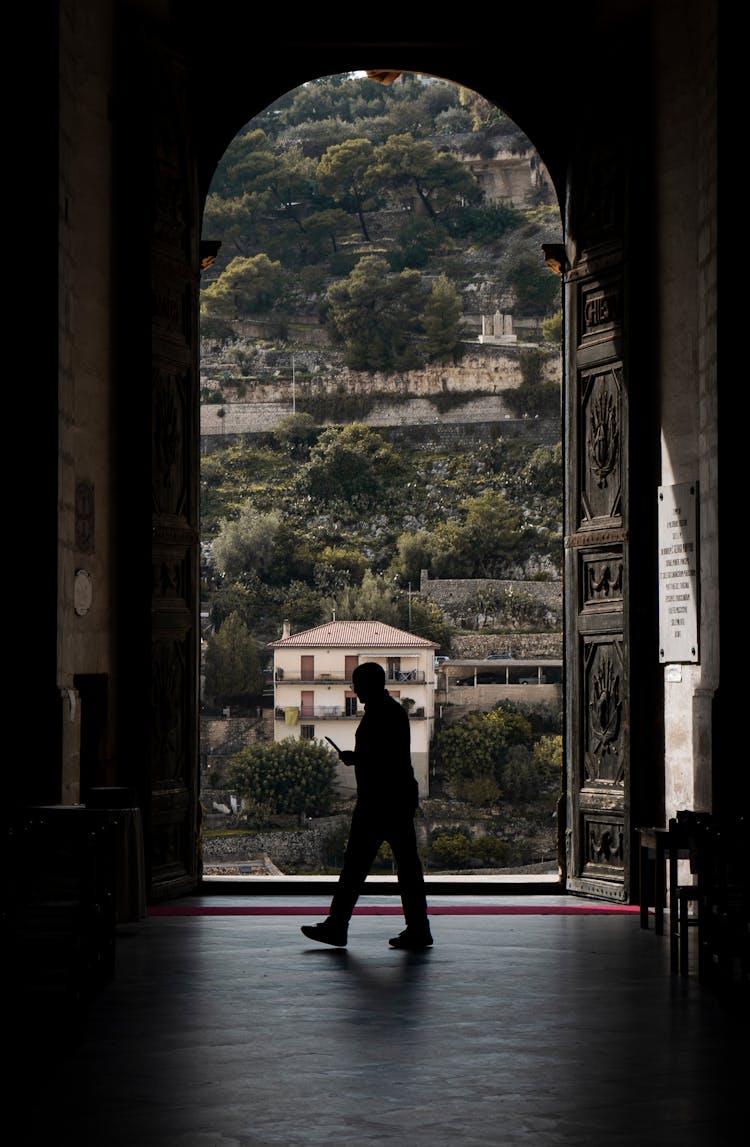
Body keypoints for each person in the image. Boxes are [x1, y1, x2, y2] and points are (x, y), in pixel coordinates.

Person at [301, 661, 433, 951]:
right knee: (406, 867)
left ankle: (338, 926)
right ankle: (418, 929)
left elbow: (383, 761)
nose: (354, 690)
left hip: (379, 803)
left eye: (356, 685)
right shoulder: (391, 711)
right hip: (394, 800)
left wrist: (355, 758)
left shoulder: (381, 714)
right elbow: (391, 758)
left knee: (356, 866)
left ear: (368, 686)